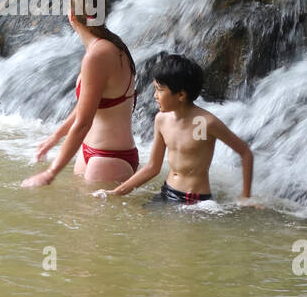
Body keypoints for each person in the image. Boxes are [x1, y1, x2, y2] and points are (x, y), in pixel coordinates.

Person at [21, 0, 139, 187]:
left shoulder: (98, 54)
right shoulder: (111, 44)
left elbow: (83, 123)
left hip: (108, 158)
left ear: (72, 16)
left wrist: (50, 173)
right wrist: (55, 137)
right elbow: (87, 105)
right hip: (98, 154)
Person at [97, 53, 254, 205]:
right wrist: (116, 192)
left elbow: (245, 152)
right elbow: (153, 167)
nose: (155, 96)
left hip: (194, 200)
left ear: (181, 95)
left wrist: (245, 196)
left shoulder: (205, 122)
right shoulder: (161, 119)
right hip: (167, 191)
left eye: (160, 89)